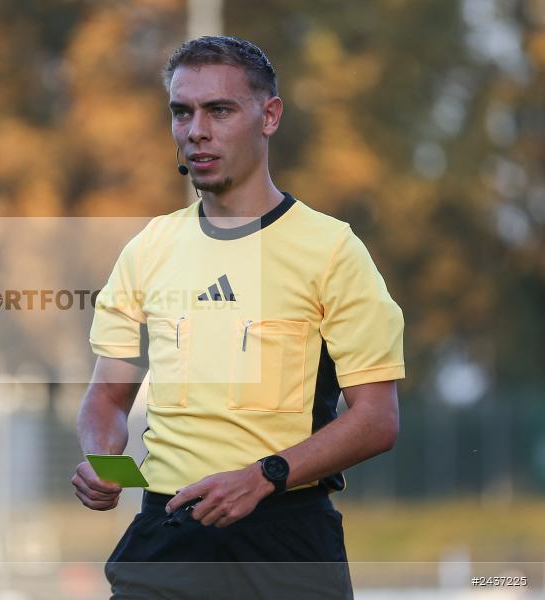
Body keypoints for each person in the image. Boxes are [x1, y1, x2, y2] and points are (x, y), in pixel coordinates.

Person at [71, 36, 404, 599]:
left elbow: (377, 419)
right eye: (182, 111)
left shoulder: (332, 250)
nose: (196, 130)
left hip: (286, 541)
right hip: (167, 534)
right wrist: (104, 457)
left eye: (218, 110)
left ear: (268, 115)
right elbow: (107, 396)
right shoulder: (148, 248)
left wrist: (263, 476)